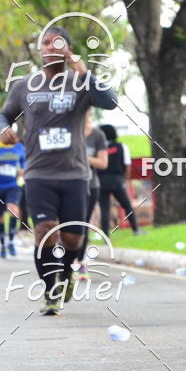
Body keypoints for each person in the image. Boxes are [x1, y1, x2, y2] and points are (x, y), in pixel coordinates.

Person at [0, 26, 118, 315]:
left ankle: (67, 274)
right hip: (38, 173)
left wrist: (84, 72)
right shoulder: (25, 86)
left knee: (73, 236)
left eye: (57, 43)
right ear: (39, 50)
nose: (49, 47)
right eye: (45, 43)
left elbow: (111, 101)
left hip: (75, 174)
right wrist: (3, 129)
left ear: (68, 49)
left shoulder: (80, 84)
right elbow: (4, 114)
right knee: (45, 231)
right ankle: (51, 291)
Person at [76, 112, 108, 280]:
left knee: (82, 226)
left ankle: (80, 266)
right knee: (65, 226)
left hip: (90, 185)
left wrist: (83, 157)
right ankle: (64, 263)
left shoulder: (97, 135)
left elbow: (103, 163)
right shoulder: (68, 131)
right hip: (67, 185)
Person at [97, 125, 142, 236]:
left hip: (101, 181)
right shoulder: (121, 147)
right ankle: (136, 230)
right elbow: (127, 165)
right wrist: (125, 179)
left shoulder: (98, 149)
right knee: (127, 206)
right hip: (117, 180)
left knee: (104, 209)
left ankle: (105, 236)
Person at [0, 137, 25, 257]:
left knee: (13, 210)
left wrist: (23, 168)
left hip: (13, 185)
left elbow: (24, 161)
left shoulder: (19, 147)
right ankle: (3, 246)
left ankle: (11, 242)